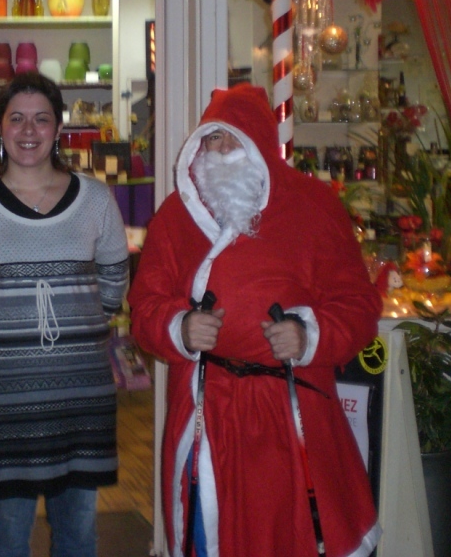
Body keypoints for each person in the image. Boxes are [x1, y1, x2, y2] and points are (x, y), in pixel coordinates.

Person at [128, 83, 381, 557]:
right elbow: (143, 308)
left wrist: (308, 335)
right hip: (205, 411)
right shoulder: (175, 217)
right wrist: (179, 328)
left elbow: (358, 305)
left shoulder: (314, 206)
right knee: (210, 535)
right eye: (212, 137)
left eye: (233, 136)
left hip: (291, 410)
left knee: (291, 536)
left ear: (260, 142)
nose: (221, 148)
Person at [0, 71, 130, 557]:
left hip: (80, 400)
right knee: (5, 538)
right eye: (16, 118)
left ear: (58, 128)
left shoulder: (95, 200)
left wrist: (80, 334)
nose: (28, 130)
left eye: (41, 119)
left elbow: (114, 278)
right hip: (3, 404)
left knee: (78, 537)